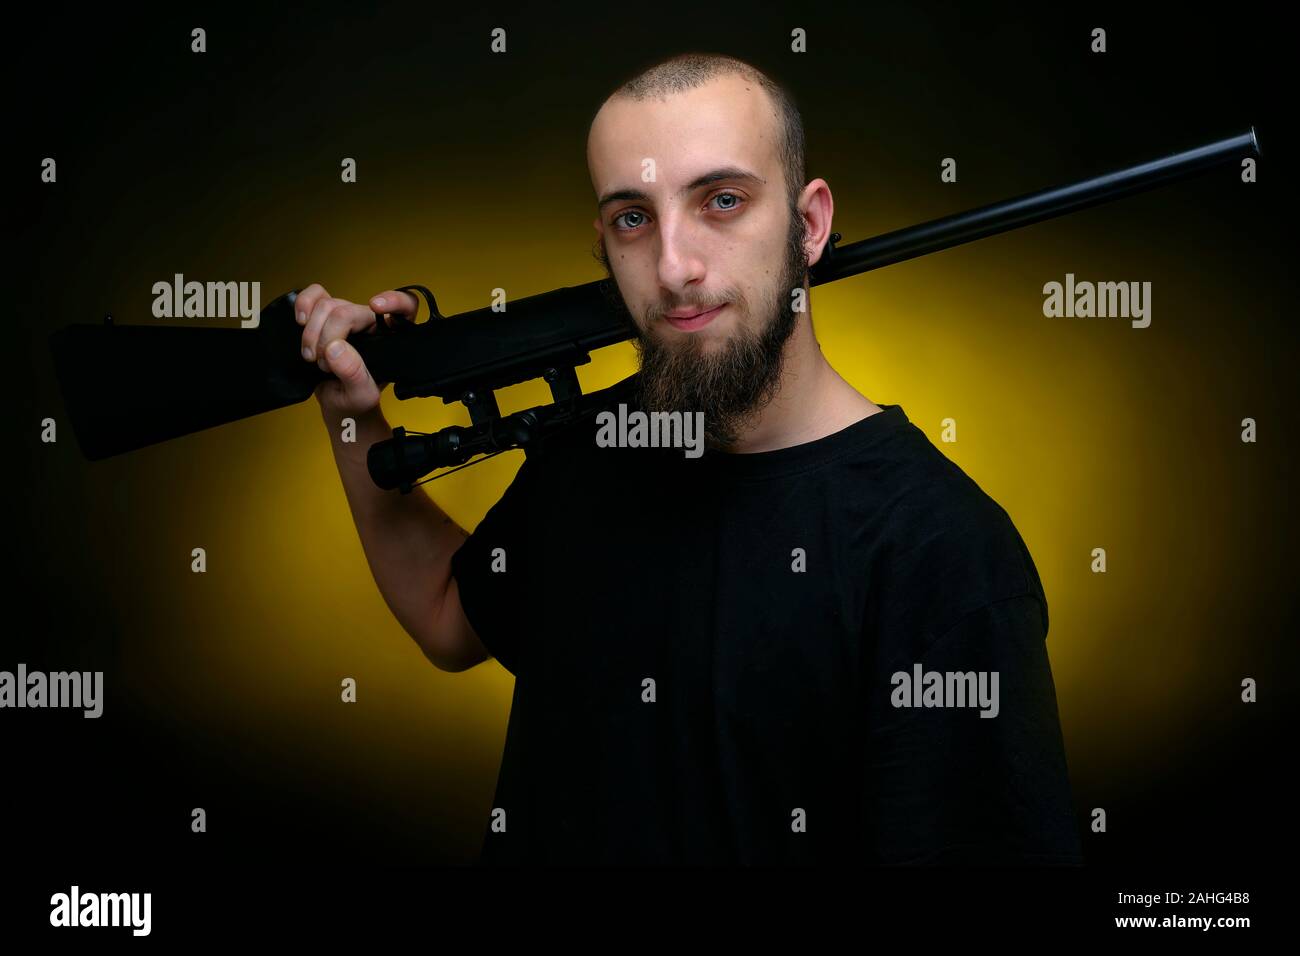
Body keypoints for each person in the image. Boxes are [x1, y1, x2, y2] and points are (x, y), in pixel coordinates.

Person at [294, 51, 1083, 865]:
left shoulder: (943, 549)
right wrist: (355, 417)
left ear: (809, 226)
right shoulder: (596, 444)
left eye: (724, 200)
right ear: (603, 244)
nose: (674, 267)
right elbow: (446, 616)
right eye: (633, 218)